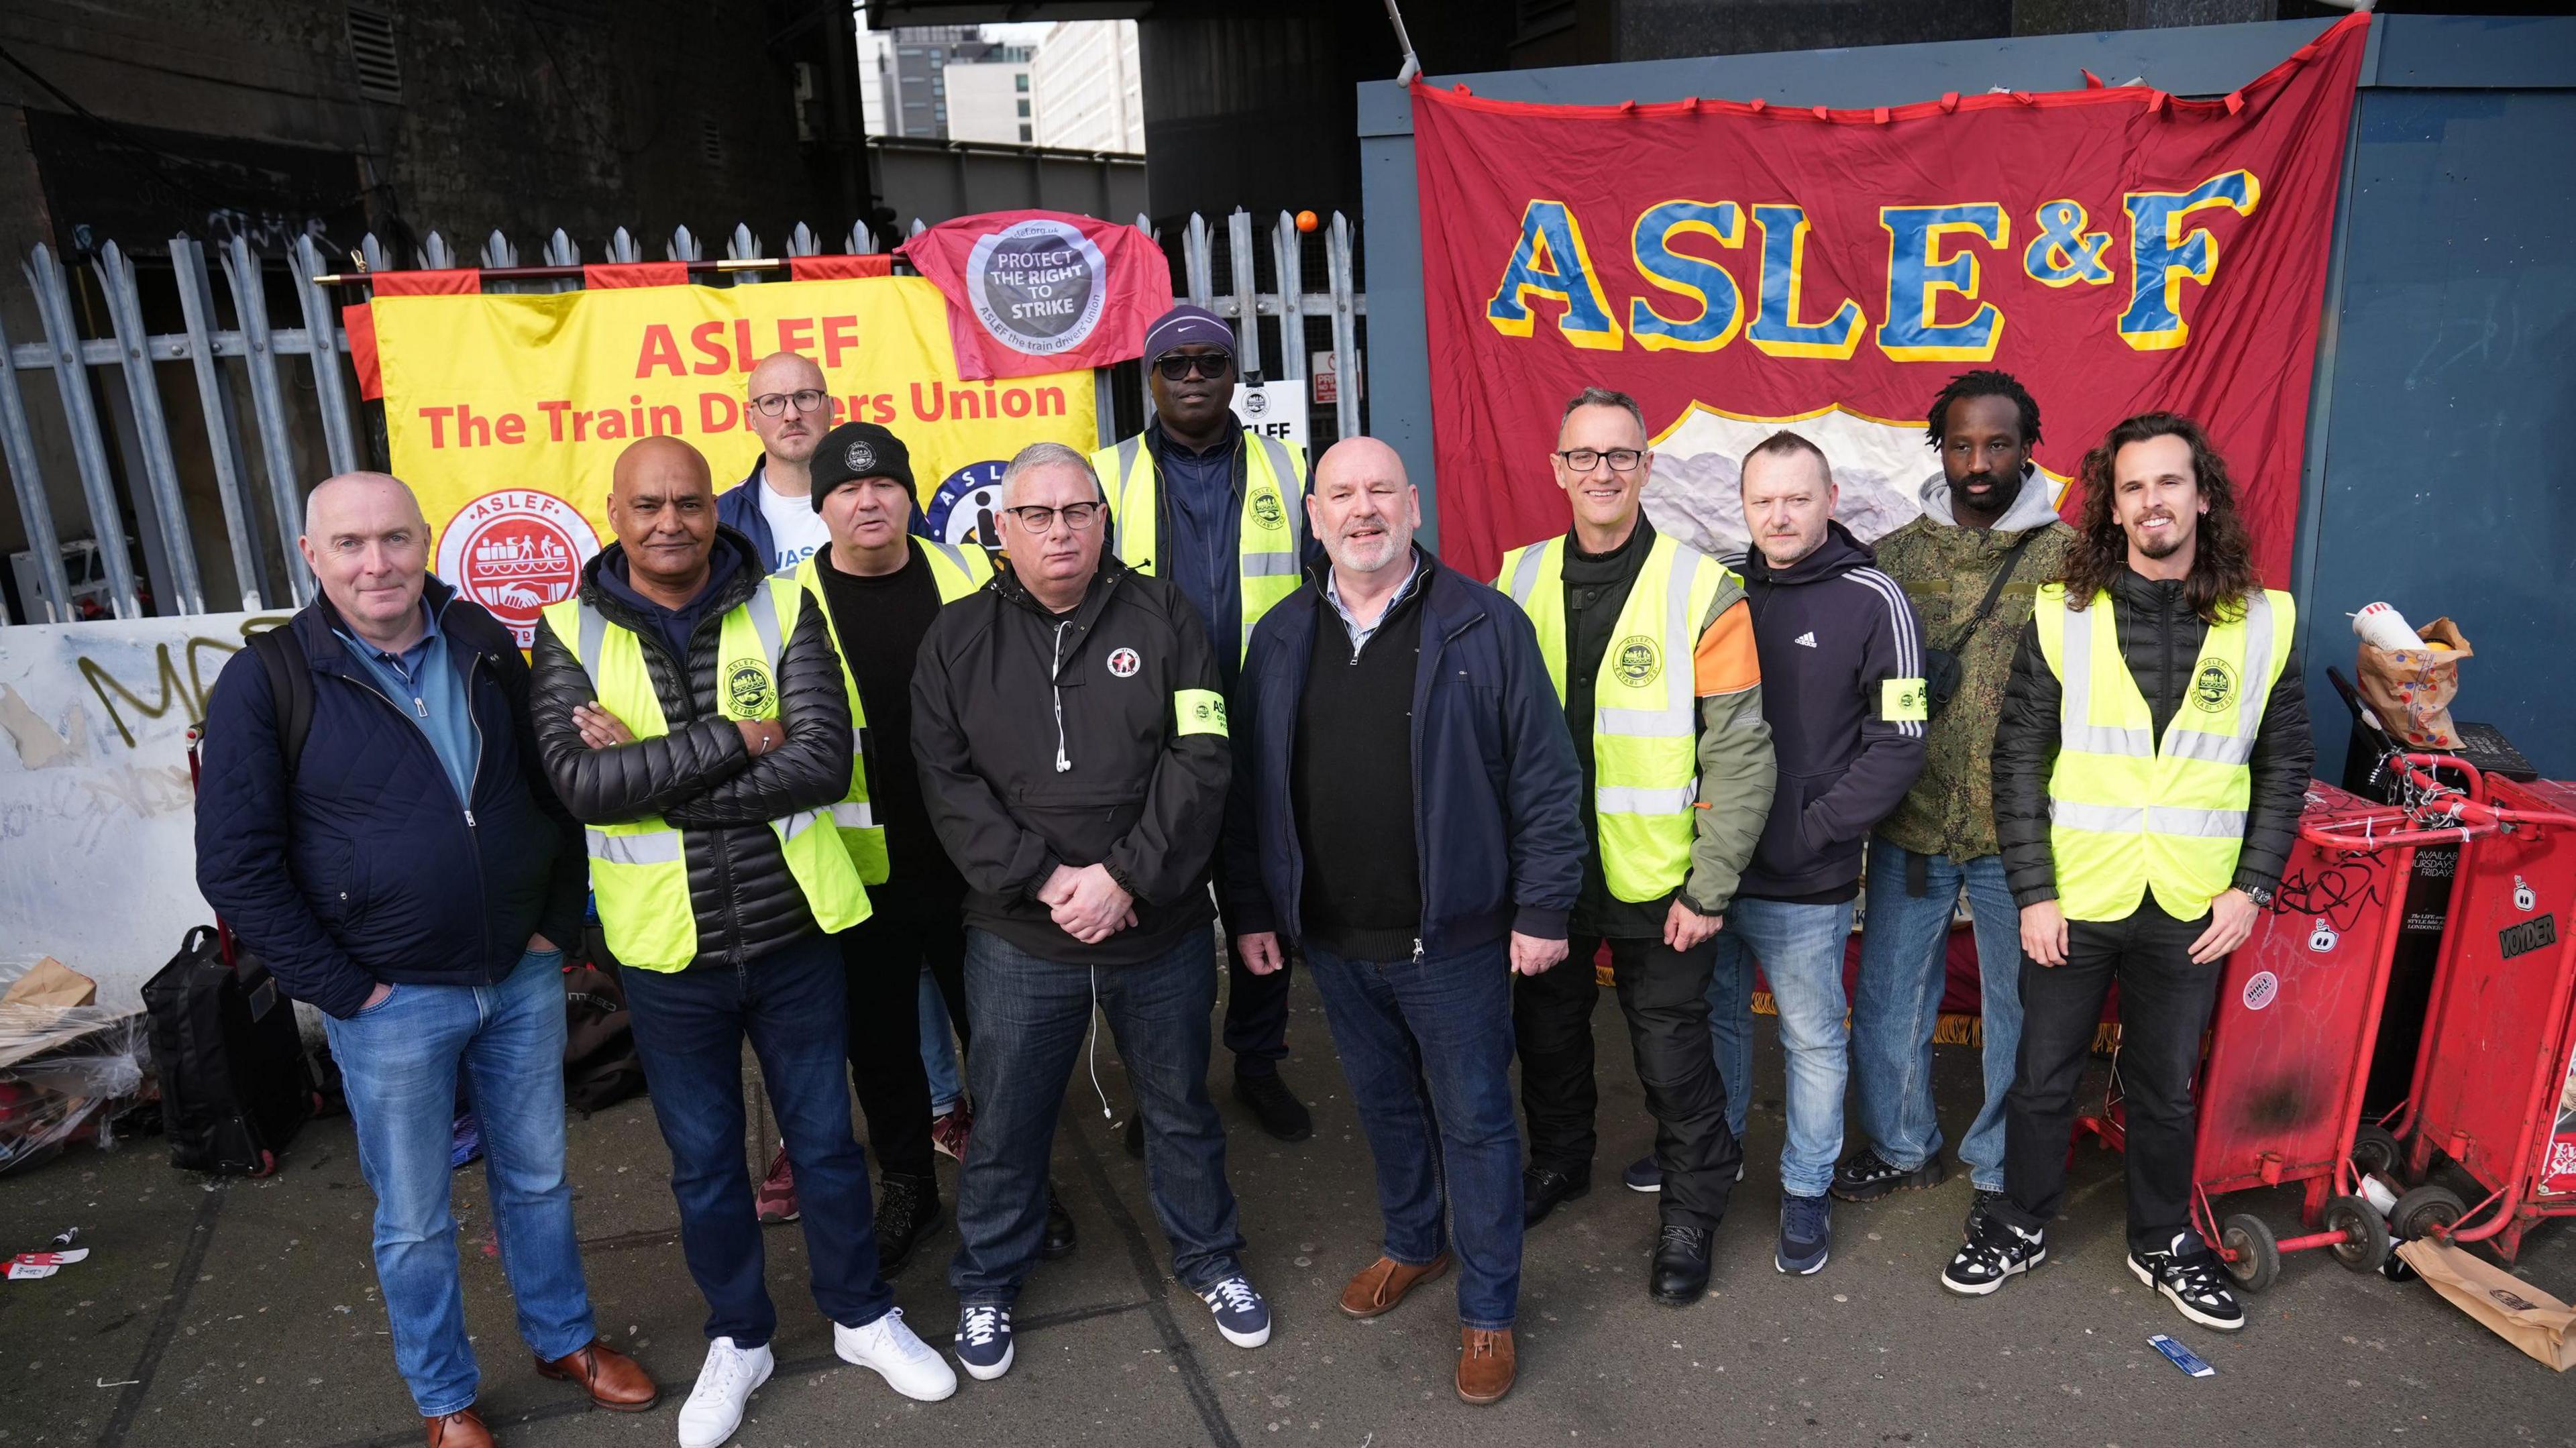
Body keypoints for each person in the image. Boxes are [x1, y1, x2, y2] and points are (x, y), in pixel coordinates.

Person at [197, 472, 652, 1448]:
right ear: (311, 555)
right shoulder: (269, 679)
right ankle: (445, 1396)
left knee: (537, 1178)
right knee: (412, 1216)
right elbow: (236, 864)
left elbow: (552, 786)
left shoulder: (486, 642)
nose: (377, 562)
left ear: (426, 542)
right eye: (352, 543)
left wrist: (553, 926)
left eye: (396, 538)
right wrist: (345, 987)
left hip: (519, 974)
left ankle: (561, 1338)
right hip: (388, 1000)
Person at [529, 435, 953, 1447]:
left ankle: (861, 1313)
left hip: (795, 928)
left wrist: (654, 768)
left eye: (687, 501)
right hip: (668, 951)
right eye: (648, 504)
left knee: (823, 1142)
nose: (669, 521)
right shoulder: (565, 629)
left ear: (714, 508)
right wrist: (732, 738)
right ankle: (742, 1335)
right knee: (707, 1162)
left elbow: (817, 761)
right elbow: (582, 786)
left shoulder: (782, 602)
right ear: (614, 511)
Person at [1226, 437, 1585, 1404]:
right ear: (1313, 516)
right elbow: (1253, 790)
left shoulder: (1484, 623)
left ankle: (1489, 1309)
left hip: (1456, 939)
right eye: (1340, 493)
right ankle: (1413, 1242)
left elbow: (1549, 781)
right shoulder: (1281, 633)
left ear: (1414, 505)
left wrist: (1545, 904)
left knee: (1474, 1119)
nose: (1362, 508)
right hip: (1336, 939)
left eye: (1380, 489)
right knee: (1383, 1104)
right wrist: (1256, 907)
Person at [1944, 412, 2312, 1334]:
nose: (2153, 500)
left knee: (2165, 1086)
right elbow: (2017, 759)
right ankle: (2020, 1220)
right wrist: (2032, 890)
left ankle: (2160, 1239)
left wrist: (2251, 885)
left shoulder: (2265, 621)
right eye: (2134, 485)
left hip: (2195, 903)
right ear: (2112, 503)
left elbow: (2287, 765)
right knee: (2042, 1074)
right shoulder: (2063, 616)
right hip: (2075, 894)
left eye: (2169, 482)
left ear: (2203, 494)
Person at [913, 441, 1269, 1382]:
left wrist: (1127, 877)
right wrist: (1047, 879)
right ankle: (989, 1275)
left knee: (1181, 1106)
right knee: (1009, 1119)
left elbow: (1203, 754)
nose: (1060, 529)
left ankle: (1208, 1256)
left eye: (1078, 511)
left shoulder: (1169, 616)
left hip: (1158, 923)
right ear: (1001, 530)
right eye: (1037, 514)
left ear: (1104, 521)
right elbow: (946, 785)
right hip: (1021, 930)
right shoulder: (955, 639)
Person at [1497, 388, 1774, 1306]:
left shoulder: (1705, 588)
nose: (1602, 472)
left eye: (1621, 455)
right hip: (1545, 875)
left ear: (1648, 467)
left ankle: (1692, 1211)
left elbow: (1740, 753)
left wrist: (1711, 885)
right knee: (1548, 1038)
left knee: (1672, 1060)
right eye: (1584, 456)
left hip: (1664, 884)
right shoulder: (1516, 578)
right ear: (1558, 469)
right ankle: (1561, 1161)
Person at [748, 421, 1004, 1270]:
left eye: (886, 484)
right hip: (857, 872)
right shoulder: (783, 601)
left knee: (1000, 1036)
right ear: (819, 506)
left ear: (907, 495)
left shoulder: (968, 571)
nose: (870, 500)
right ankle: (909, 1188)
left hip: (974, 859)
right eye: (848, 489)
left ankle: (1016, 1190)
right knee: (882, 1046)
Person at [1839, 371, 2075, 1227]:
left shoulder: (2070, 558)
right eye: (1963, 444)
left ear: (2027, 446)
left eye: (1999, 443)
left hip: (2022, 835)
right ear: (1942, 449)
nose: (1980, 462)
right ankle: (1902, 1145)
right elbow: (1869, 683)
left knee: (2022, 1008)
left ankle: (1999, 1162)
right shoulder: (1894, 557)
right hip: (1915, 821)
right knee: (1891, 997)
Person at [1703, 433, 1926, 1277]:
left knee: (1810, 1038)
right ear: (1745, 503)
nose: (1780, 515)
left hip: (1807, 874)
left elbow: (1900, 741)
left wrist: (1810, 828)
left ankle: (1805, 1186)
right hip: (1710, 868)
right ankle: (1713, 1157)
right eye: (1763, 499)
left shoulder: (1875, 598)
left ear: (1830, 497)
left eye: (1797, 497)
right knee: (1714, 1020)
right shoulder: (1716, 584)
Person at [1095, 303, 1313, 1145]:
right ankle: (1166, 1088)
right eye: (1175, 364)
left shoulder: (1290, 467)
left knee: (1270, 899)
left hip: (1265, 720)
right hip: (1153, 736)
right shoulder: (1105, 475)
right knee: (1162, 917)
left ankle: (1258, 1060)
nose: (1193, 376)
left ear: (1233, 375)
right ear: (1149, 378)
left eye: (1209, 363)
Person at [714, 351, 837, 574]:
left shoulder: (883, 499)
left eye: (805, 397)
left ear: (830, 408)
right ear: (752, 419)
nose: (792, 415)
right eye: (772, 402)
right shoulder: (720, 518)